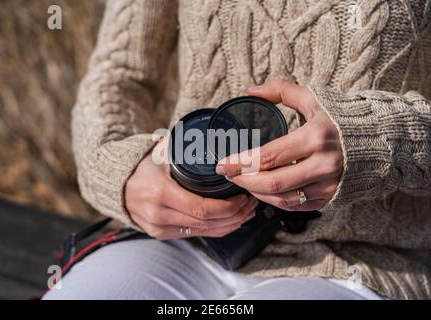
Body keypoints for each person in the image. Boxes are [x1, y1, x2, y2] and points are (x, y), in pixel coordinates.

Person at [44, 0, 431, 300]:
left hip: (363, 260)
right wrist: (120, 171)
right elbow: (119, 75)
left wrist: (377, 139)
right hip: (181, 237)